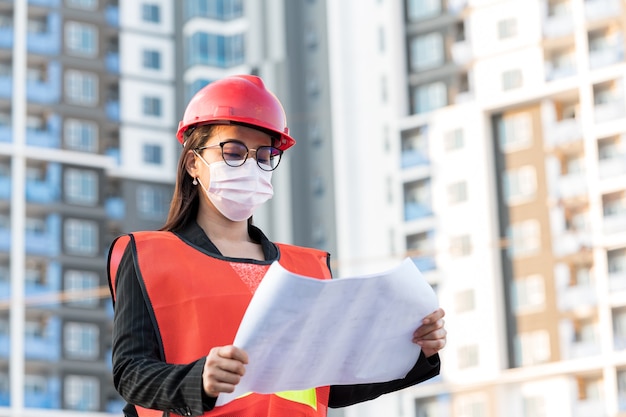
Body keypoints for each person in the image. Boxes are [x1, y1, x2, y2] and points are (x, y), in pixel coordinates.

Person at [107, 74, 447, 417]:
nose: (252, 165)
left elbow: (329, 382)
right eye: (234, 151)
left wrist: (415, 351)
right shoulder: (150, 256)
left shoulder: (305, 269)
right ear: (194, 162)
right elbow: (130, 373)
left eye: (265, 155)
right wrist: (200, 381)